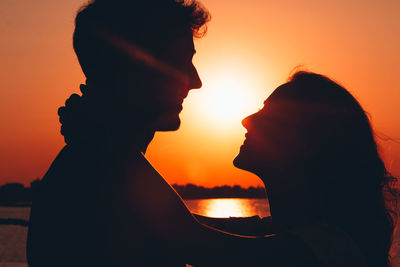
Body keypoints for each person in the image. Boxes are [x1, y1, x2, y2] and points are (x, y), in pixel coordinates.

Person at [27, 1, 320, 266]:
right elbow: (219, 251)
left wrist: (269, 226)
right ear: (134, 69)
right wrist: (330, 243)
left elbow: (186, 226)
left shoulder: (99, 156)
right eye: (181, 61)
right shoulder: (108, 167)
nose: (196, 81)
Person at [226, 71, 398, 267]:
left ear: (306, 142)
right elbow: (198, 229)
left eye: (270, 115)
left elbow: (196, 241)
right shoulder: (286, 226)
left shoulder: (327, 247)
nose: (247, 120)